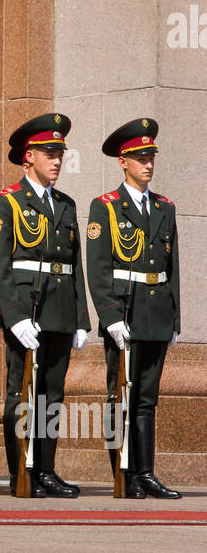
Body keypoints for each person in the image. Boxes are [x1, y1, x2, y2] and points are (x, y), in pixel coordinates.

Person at [0, 114, 88, 497]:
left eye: (60, 153)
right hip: (25, 312)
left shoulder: (65, 204)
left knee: (51, 394)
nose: (57, 160)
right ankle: (22, 472)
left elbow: (73, 264)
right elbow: (0, 267)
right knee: (21, 392)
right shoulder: (6, 202)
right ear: (28, 156)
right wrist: (13, 317)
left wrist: (81, 318)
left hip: (60, 310)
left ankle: (45, 468)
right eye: (50, 153)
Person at [85, 118, 181, 499]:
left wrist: (175, 317)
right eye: (140, 158)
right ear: (123, 162)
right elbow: (98, 268)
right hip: (124, 313)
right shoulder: (105, 206)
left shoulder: (165, 207)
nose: (148, 164)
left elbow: (172, 267)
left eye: (151, 157)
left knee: (146, 398)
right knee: (119, 396)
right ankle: (122, 474)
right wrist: (109, 317)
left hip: (156, 313)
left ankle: (145, 472)